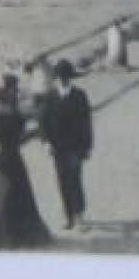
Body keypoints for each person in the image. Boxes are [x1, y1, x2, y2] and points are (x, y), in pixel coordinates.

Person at [0, 75, 53, 250]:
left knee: (2, 197)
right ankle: (22, 235)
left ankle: (4, 237)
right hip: (14, 158)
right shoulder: (17, 116)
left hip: (4, 158)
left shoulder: (3, 117)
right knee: (19, 195)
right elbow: (27, 122)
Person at [40, 59, 93, 230]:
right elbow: (43, 121)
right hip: (57, 147)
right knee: (62, 180)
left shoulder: (79, 96)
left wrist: (87, 147)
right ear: (57, 78)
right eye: (60, 77)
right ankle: (68, 216)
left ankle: (79, 217)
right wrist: (46, 141)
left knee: (75, 180)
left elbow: (86, 123)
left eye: (66, 77)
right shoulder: (50, 96)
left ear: (70, 78)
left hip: (75, 147)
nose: (63, 80)